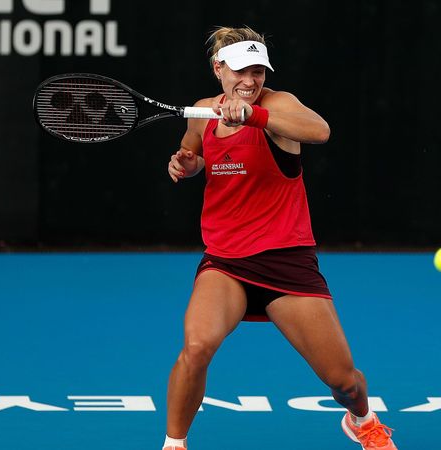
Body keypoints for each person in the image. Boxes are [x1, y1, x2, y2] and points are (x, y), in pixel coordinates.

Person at [162, 26, 398, 450]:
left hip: (287, 259)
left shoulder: (278, 105)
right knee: (196, 348)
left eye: (258, 71)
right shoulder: (202, 111)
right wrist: (186, 164)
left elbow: (319, 130)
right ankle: (173, 444)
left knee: (344, 381)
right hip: (225, 261)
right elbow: (193, 151)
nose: (250, 81)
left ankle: (362, 419)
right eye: (239, 71)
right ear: (218, 69)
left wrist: (255, 116)